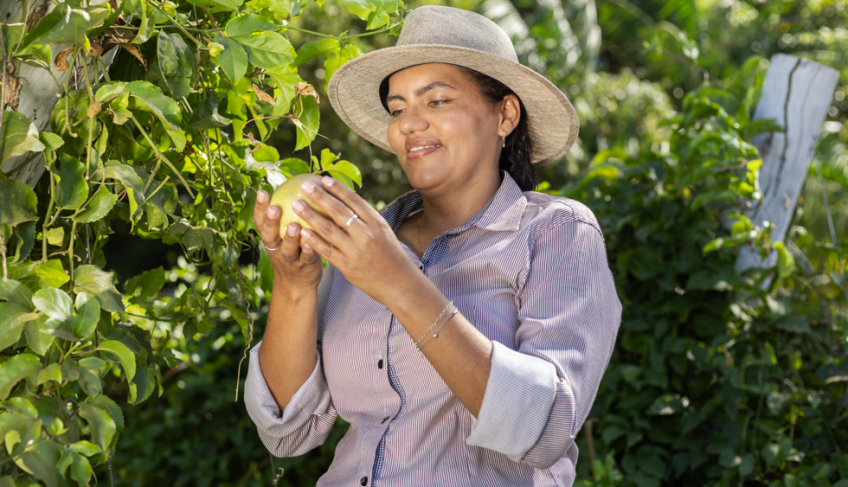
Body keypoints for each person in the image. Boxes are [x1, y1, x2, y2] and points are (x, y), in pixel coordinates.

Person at [245, 5, 621, 486]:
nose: (408, 124)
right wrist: (295, 284)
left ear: (505, 114)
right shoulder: (361, 243)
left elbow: (546, 431)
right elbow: (287, 433)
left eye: (437, 101)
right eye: (398, 109)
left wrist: (400, 284)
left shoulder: (557, 233)